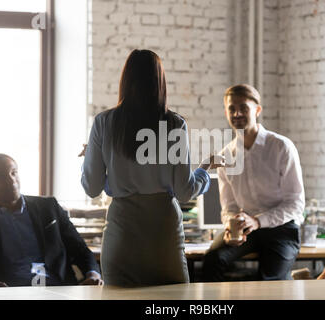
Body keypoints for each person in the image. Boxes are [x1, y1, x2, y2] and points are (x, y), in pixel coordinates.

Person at [81, 49, 223, 287]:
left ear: (125, 80)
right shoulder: (175, 124)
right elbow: (185, 191)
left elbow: (92, 187)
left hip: (122, 231)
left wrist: (93, 160)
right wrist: (204, 170)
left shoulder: (104, 123)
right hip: (163, 234)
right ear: (160, 81)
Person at [202, 84, 305, 281]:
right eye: (232, 108)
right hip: (245, 230)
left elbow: (295, 204)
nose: (237, 113)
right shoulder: (225, 156)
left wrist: (258, 221)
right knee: (212, 260)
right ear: (226, 112)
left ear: (257, 110)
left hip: (281, 229)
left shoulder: (281, 147)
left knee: (269, 281)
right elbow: (229, 207)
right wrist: (230, 226)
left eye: (244, 108)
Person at [0, 154, 102, 288]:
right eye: (1, 176)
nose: (11, 180)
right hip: (10, 292)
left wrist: (93, 275)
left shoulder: (48, 207)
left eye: (14, 173)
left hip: (58, 287)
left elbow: (80, 250)